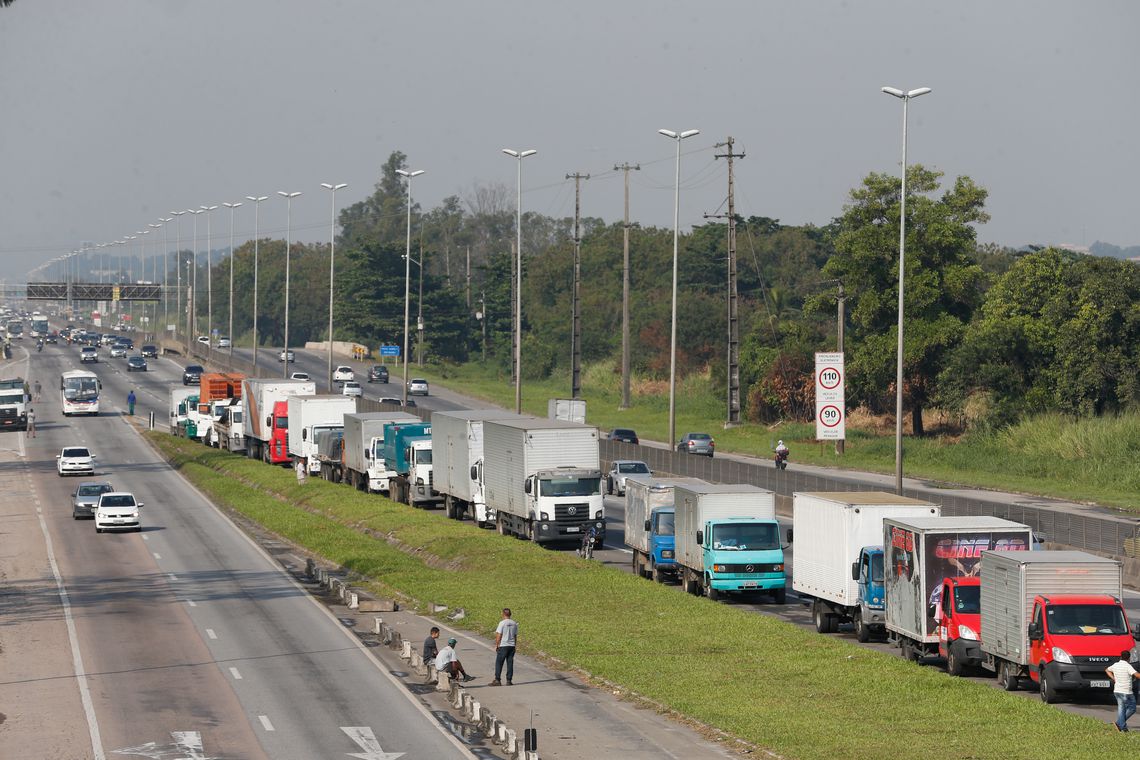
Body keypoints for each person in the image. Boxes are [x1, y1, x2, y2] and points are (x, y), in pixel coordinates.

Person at [1106, 649, 1140, 731]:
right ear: (1129, 658)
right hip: (1126, 692)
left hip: (1117, 691)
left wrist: (1113, 678)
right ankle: (1120, 724)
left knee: (1121, 708)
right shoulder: (1128, 666)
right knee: (1132, 708)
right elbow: (1137, 675)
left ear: (1120, 657)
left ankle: (1121, 725)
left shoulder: (1115, 665)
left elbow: (1107, 670)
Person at [490, 608, 519, 686]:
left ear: (503, 614)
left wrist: (497, 645)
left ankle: (497, 680)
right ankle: (509, 680)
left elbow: (499, 635)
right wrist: (514, 645)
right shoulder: (514, 623)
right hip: (511, 646)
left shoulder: (502, 623)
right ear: (510, 614)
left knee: (499, 663)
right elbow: (515, 635)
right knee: (510, 663)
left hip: (503, 645)